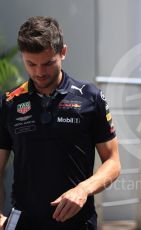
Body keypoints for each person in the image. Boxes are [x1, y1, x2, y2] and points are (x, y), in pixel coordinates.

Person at [0, 16, 121, 229]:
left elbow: (113, 162)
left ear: (63, 52)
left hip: (77, 222)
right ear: (22, 57)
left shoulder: (91, 97)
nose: (39, 72)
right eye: (31, 64)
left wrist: (83, 189)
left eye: (48, 63)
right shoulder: (10, 102)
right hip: (23, 222)